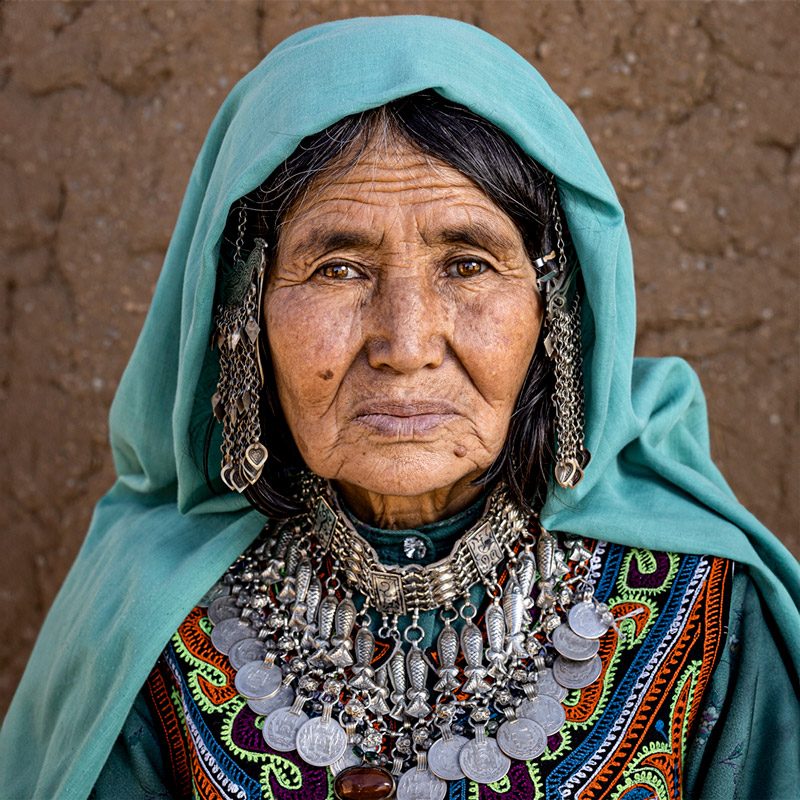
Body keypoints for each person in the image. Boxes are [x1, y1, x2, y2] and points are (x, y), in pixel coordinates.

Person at [1, 15, 798, 800]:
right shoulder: (147, 627)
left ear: (553, 312)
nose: (405, 341)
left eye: (468, 264)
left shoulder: (707, 613)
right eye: (338, 268)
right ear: (243, 313)